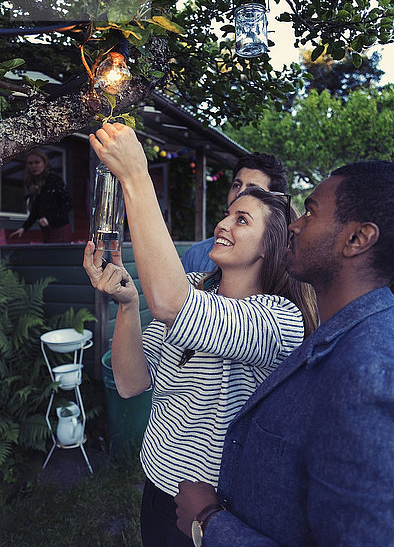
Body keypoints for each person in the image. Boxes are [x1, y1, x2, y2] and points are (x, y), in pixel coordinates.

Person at [83, 123, 318, 547]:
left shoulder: (281, 319)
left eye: (242, 219)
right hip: (157, 487)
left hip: (216, 507)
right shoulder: (194, 285)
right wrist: (129, 304)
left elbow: (173, 305)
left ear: (270, 245)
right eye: (228, 213)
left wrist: (137, 176)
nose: (224, 223)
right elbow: (131, 382)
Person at [175, 159, 394, 547]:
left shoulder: (370, 374)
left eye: (310, 212)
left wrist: (209, 522)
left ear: (357, 239)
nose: (294, 225)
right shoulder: (337, 337)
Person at [181, 152, 288, 273]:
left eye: (252, 188)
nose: (240, 193)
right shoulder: (196, 255)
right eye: (237, 185)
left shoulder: (285, 263)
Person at [10, 148, 72, 243]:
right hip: (46, 230)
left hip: (60, 228)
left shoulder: (54, 180)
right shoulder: (34, 183)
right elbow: (35, 209)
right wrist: (24, 228)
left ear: (44, 163)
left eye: (37, 162)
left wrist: (49, 219)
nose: (33, 166)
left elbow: (68, 203)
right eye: (30, 163)